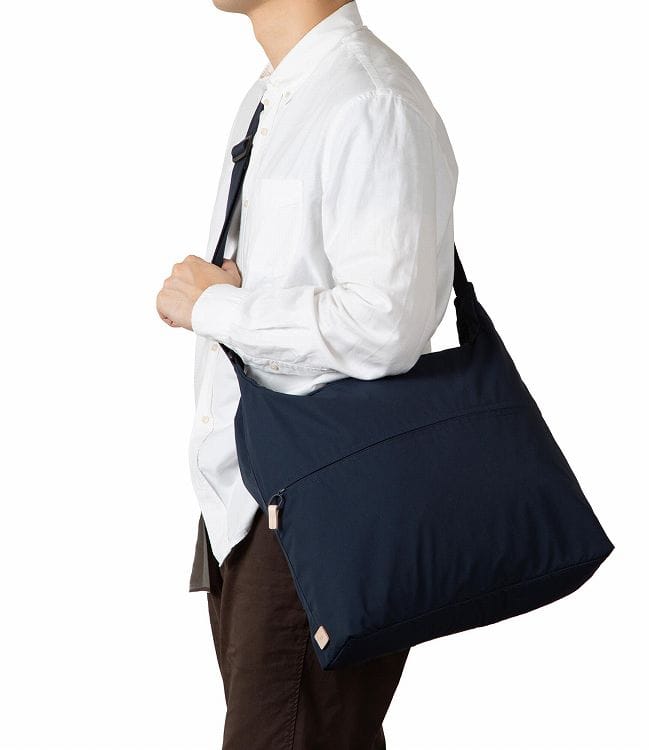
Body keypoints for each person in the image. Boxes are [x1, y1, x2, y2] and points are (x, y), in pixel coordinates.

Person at [156, 0, 458, 747]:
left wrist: (216, 307)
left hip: (319, 505)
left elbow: (385, 325)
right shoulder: (274, 95)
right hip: (249, 497)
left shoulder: (367, 100)